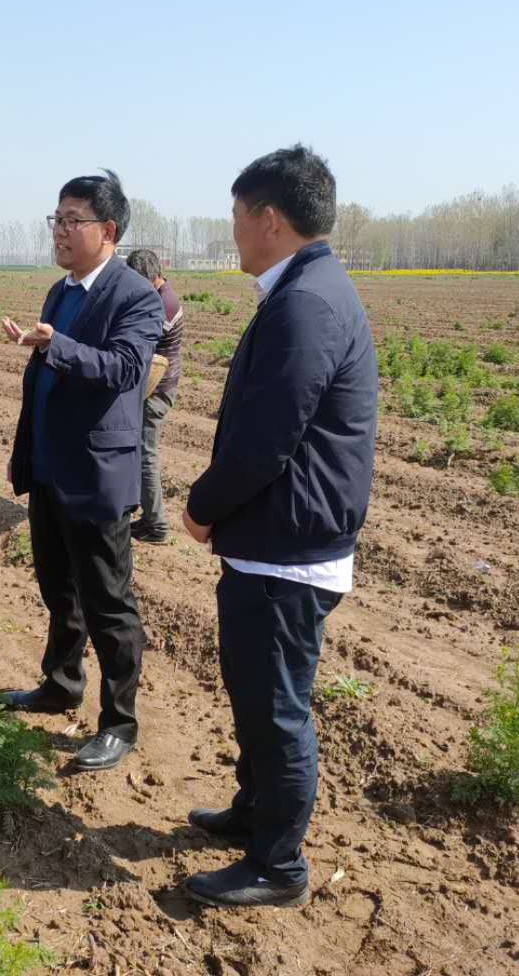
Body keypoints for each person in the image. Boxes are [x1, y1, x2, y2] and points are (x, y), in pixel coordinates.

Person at [179, 146, 377, 908]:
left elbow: (268, 437)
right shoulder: (307, 289)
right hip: (279, 541)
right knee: (257, 696)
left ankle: (278, 864)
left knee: (277, 708)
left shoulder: (307, 302)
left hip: (287, 548)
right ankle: (252, 815)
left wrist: (202, 506)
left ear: (268, 219)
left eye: (235, 217)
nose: (232, 232)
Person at [0, 170, 163, 772]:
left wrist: (54, 346)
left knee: (108, 603)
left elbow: (124, 368)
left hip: (95, 478)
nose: (61, 232)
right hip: (49, 470)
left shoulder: (134, 295)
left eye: (73, 221)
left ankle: (119, 721)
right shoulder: (60, 292)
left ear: (108, 230)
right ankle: (61, 683)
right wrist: (43, 345)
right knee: (57, 589)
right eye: (57, 220)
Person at [124, 249, 183, 543]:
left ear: (152, 277)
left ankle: (157, 525)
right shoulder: (162, 295)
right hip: (156, 386)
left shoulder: (164, 304)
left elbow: (142, 339)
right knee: (139, 450)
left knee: (146, 454)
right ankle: (147, 518)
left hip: (157, 390)